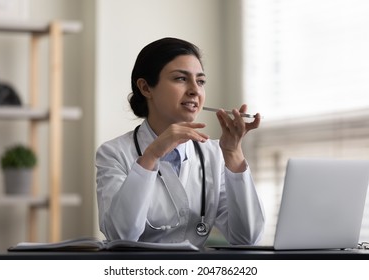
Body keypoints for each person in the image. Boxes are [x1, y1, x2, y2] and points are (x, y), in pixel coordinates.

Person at [95, 37, 265, 247]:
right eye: (180, 79)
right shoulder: (114, 153)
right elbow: (121, 236)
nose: (195, 90)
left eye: (201, 81)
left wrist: (233, 152)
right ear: (146, 88)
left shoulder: (215, 154)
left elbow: (248, 238)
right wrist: (151, 156)